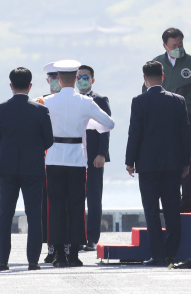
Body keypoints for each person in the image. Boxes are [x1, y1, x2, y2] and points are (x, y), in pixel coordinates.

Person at [43, 60, 115, 267]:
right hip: (76, 159)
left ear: (58, 78)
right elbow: (109, 124)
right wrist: (88, 123)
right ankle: (73, 254)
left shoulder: (46, 101)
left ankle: (58, 254)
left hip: (54, 157)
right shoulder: (85, 103)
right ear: (76, 78)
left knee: (55, 207)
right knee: (76, 206)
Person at [0, 67, 54, 271]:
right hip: (33, 168)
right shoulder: (41, 110)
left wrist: (7, 150)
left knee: (5, 214)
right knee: (34, 215)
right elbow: (49, 140)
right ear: (31, 86)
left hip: (6, 167)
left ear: (11, 86)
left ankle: (3, 262)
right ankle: (33, 261)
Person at [126, 61, 191, 266]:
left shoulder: (139, 101)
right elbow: (185, 135)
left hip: (147, 165)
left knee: (151, 210)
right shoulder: (178, 100)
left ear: (145, 79)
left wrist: (130, 161)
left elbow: (134, 133)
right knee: (172, 208)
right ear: (163, 77)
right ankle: (172, 252)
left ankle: (158, 254)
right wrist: (186, 162)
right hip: (172, 164)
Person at [143, 28, 191, 213]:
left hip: (188, 115)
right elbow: (146, 90)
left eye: (180, 44)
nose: (177, 48)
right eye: (173, 45)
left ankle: (187, 198)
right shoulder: (156, 63)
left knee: (185, 155)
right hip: (162, 117)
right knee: (164, 155)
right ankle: (166, 197)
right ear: (165, 46)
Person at [76, 64, 111, 251]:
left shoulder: (100, 100)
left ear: (92, 80)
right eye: (79, 77)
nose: (82, 81)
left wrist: (102, 154)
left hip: (94, 158)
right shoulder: (72, 100)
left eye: (85, 77)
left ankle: (92, 238)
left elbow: (105, 130)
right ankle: (78, 236)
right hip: (75, 158)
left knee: (94, 198)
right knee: (76, 198)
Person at [34, 62, 61, 263]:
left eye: (58, 78)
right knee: (47, 207)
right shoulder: (40, 103)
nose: (55, 82)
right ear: (48, 81)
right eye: (52, 78)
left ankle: (68, 246)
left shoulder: (73, 100)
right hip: (46, 159)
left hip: (68, 158)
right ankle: (51, 246)